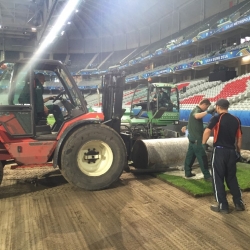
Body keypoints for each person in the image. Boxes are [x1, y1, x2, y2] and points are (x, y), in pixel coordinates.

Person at [202, 99, 245, 213]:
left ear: (217, 107)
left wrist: (203, 143)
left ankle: (223, 205)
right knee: (232, 178)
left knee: (217, 178)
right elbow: (239, 138)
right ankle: (238, 203)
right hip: (231, 152)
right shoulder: (236, 119)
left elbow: (207, 131)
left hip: (219, 151)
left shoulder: (217, 117)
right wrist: (238, 152)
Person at [183, 98, 214, 181]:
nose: (206, 109)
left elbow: (193, 123)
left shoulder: (195, 110)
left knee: (190, 156)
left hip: (192, 139)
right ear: (204, 104)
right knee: (202, 157)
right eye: (206, 107)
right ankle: (207, 176)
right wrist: (207, 112)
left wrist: (186, 127)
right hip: (197, 140)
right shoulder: (197, 110)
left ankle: (188, 172)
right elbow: (197, 116)